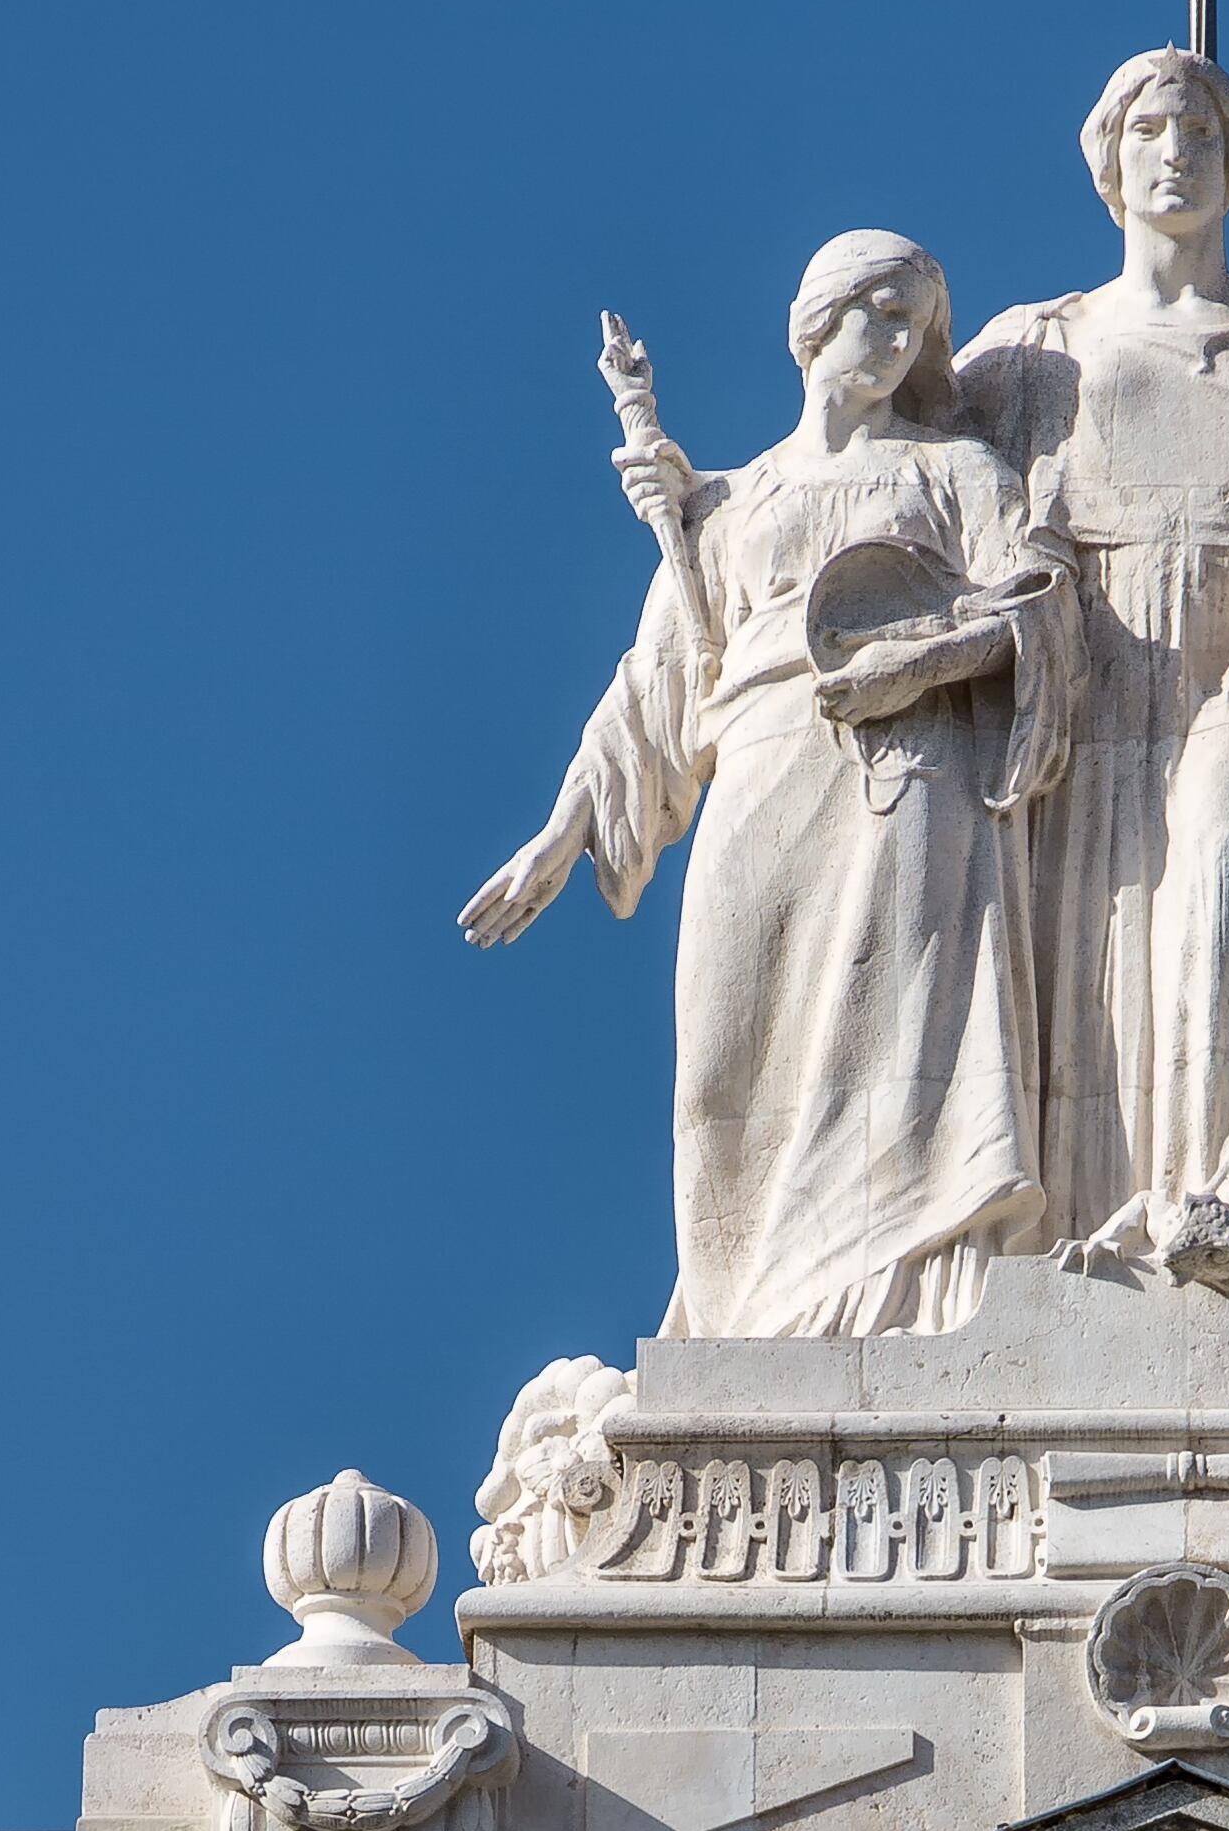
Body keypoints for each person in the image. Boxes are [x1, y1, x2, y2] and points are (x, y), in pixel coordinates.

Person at [462, 234, 1080, 1341]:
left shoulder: (959, 474)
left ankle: (897, 1316)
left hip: (908, 773)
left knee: (892, 1056)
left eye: (915, 325)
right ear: (815, 323)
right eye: (878, 312)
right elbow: (657, 680)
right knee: (719, 1075)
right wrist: (559, 836)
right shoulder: (730, 501)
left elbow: (1038, 608)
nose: (895, 341)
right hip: (759, 759)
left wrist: (924, 663)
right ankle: (742, 1322)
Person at [954, 52, 1229, 1262]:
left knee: (1224, 850)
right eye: (1149, 128)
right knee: (1091, 956)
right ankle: (1089, 1224)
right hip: (1085, 681)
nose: (1174, 151)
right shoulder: (1029, 353)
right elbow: (886, 461)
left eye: (1199, 131)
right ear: (1108, 162)